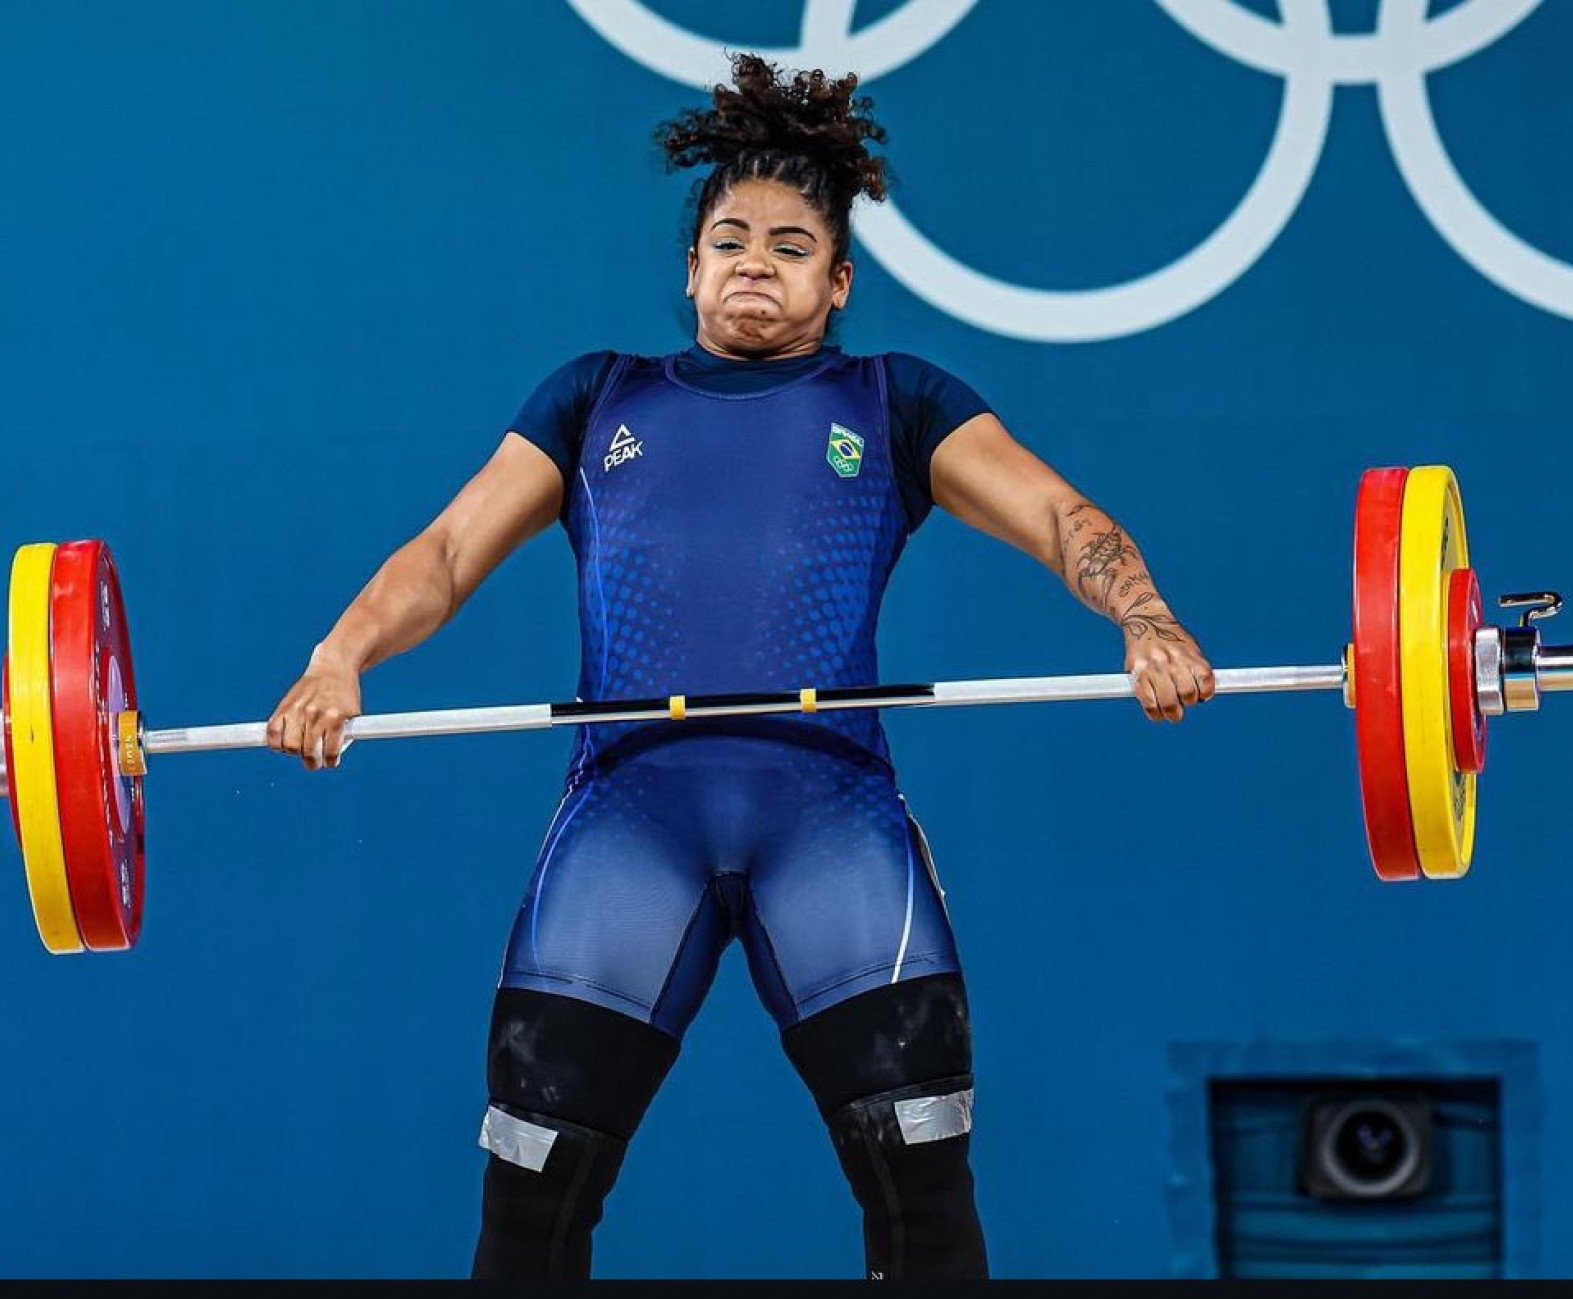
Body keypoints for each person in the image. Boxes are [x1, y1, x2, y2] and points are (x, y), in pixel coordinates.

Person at [263, 53, 1216, 1281]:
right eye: (728, 238)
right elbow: (446, 552)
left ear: (838, 280)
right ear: (693, 266)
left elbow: (1056, 518)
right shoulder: (596, 396)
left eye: (788, 242)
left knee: (921, 1195)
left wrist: (1145, 616)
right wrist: (339, 659)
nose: (754, 260)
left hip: (829, 822)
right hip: (626, 821)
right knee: (530, 1208)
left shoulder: (896, 401)